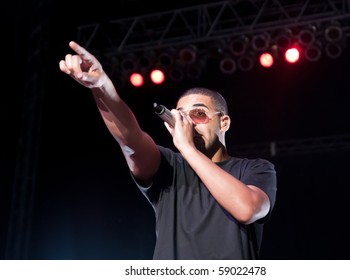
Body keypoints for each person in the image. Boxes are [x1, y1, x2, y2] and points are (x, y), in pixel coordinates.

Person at [59, 41, 277, 260]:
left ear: (224, 123)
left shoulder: (255, 168)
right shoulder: (169, 166)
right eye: (181, 116)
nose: (189, 123)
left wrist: (187, 147)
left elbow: (247, 209)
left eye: (199, 114)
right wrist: (102, 85)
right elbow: (129, 138)